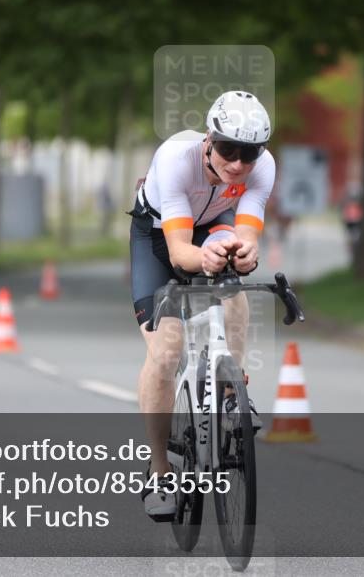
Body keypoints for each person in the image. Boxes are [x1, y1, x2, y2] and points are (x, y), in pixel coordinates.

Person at [128, 90, 275, 519]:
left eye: (249, 154)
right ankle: (160, 474)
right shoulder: (177, 157)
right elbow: (178, 251)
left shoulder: (262, 168)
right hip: (157, 237)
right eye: (228, 149)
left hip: (214, 224)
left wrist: (244, 253)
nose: (237, 164)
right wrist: (204, 256)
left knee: (232, 282)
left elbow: (248, 234)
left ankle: (233, 390)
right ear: (209, 140)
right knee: (166, 351)